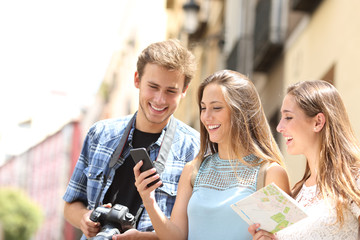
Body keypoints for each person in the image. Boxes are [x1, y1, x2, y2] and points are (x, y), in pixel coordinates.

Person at [62, 39, 200, 240]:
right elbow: (70, 204)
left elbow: (191, 231)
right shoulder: (100, 134)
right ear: (137, 80)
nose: (160, 99)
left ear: (184, 91)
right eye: (153, 86)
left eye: (171, 91)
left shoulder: (194, 148)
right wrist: (85, 217)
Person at [132, 70, 290, 240]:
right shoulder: (193, 170)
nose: (206, 117)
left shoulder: (270, 173)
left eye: (216, 108)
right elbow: (176, 237)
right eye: (203, 108)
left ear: (241, 111)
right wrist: (149, 200)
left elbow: (283, 236)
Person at [249, 80, 360, 239]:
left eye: (288, 117)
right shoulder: (297, 193)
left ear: (318, 122)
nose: (279, 127)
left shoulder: (354, 180)